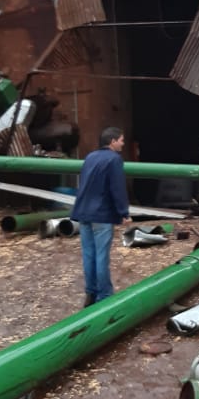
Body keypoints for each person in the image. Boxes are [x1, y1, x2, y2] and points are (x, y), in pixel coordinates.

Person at [70, 126, 130, 308]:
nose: (123, 143)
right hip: (101, 214)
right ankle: (104, 296)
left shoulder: (90, 157)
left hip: (84, 212)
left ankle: (91, 293)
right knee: (101, 255)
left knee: (88, 254)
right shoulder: (114, 160)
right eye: (121, 140)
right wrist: (124, 212)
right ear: (112, 141)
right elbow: (117, 188)